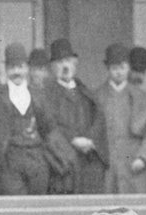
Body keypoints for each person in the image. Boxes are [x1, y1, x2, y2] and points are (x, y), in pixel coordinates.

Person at [0, 43, 57, 196]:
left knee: (37, 209)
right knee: (13, 209)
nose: (16, 72)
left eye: (20, 67)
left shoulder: (37, 94)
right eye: (12, 68)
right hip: (9, 160)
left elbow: (49, 127)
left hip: (36, 159)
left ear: (26, 68)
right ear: (6, 70)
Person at [41, 39, 107, 195]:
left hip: (87, 162)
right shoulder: (46, 96)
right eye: (59, 62)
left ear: (75, 63)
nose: (65, 66)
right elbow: (48, 125)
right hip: (62, 164)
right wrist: (72, 140)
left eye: (68, 61)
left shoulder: (86, 94)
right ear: (52, 67)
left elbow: (99, 120)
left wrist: (90, 140)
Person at [97, 43, 146, 194]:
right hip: (108, 167)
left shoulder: (143, 98)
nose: (119, 72)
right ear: (108, 69)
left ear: (128, 68)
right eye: (114, 68)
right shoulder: (97, 97)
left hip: (134, 165)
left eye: (122, 67)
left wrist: (143, 157)